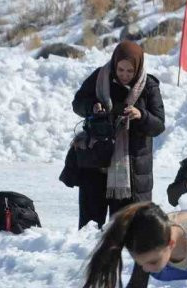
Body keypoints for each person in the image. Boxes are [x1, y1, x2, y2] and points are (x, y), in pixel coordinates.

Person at [71, 40, 166, 229]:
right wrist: (92, 106)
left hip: (130, 171)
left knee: (125, 229)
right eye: (121, 70)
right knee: (90, 227)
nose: (124, 75)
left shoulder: (149, 86)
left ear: (138, 68)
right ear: (114, 64)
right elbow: (77, 103)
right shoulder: (100, 77)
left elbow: (158, 125)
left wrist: (141, 115)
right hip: (97, 163)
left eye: (130, 71)